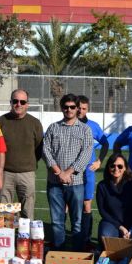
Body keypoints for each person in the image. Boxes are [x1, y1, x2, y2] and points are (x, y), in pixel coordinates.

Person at [43, 94, 94, 251]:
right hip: (55, 182)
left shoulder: (85, 130)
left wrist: (69, 172)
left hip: (76, 183)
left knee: (76, 221)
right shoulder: (53, 127)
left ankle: (77, 253)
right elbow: (46, 150)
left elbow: (86, 153)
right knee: (57, 221)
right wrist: (59, 172)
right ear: (61, 108)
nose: (69, 110)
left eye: (72, 107)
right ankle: (59, 252)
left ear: (78, 108)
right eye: (66, 107)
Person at [0, 89, 43, 219]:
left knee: (27, 211)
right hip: (5, 173)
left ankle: (25, 238)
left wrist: (28, 163)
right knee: (3, 212)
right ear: (11, 102)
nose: (19, 104)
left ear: (27, 104)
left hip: (27, 173)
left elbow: (39, 148)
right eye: (15, 101)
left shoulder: (35, 123)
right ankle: (4, 237)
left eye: (22, 102)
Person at [77, 95, 109, 249]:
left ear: (87, 109)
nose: (80, 111)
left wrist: (99, 161)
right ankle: (60, 237)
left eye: (84, 108)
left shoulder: (93, 126)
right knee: (67, 205)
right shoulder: (68, 124)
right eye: (78, 108)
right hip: (71, 171)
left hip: (88, 171)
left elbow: (105, 143)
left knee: (86, 205)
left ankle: (86, 239)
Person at [96, 153, 132, 247]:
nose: (116, 169)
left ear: (125, 168)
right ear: (108, 168)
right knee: (105, 236)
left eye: (120, 166)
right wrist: (121, 227)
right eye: (112, 166)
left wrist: (131, 229)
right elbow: (103, 211)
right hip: (112, 223)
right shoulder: (102, 186)